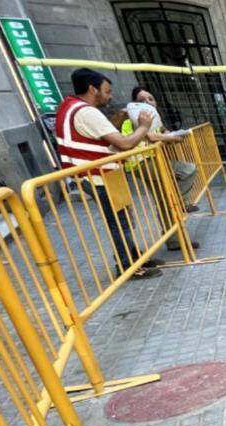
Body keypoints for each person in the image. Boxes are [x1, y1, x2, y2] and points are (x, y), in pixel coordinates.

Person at [55, 68, 160, 279]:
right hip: (97, 174)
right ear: (93, 89)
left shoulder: (71, 107)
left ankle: (133, 255)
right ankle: (127, 265)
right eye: (107, 91)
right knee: (119, 220)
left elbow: (102, 135)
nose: (110, 96)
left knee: (123, 217)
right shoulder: (86, 112)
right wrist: (144, 126)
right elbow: (125, 143)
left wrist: (119, 118)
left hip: (102, 173)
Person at [120, 86, 201, 250]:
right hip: (142, 162)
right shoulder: (134, 119)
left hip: (148, 161)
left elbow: (164, 132)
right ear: (134, 104)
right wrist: (172, 137)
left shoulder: (155, 119)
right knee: (187, 170)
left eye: (150, 99)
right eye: (141, 100)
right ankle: (181, 203)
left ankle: (174, 240)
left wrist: (175, 135)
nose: (147, 103)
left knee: (164, 200)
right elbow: (151, 136)